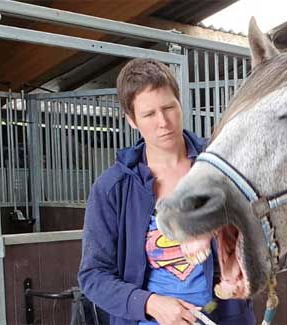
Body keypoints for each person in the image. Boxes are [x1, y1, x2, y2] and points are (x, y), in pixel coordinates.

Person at [78, 58, 254, 325]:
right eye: (149, 114)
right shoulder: (113, 187)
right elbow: (93, 275)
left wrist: (247, 271)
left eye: (169, 107)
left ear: (180, 104)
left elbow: (267, 233)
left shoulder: (223, 167)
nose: (163, 122)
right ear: (131, 120)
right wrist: (149, 304)